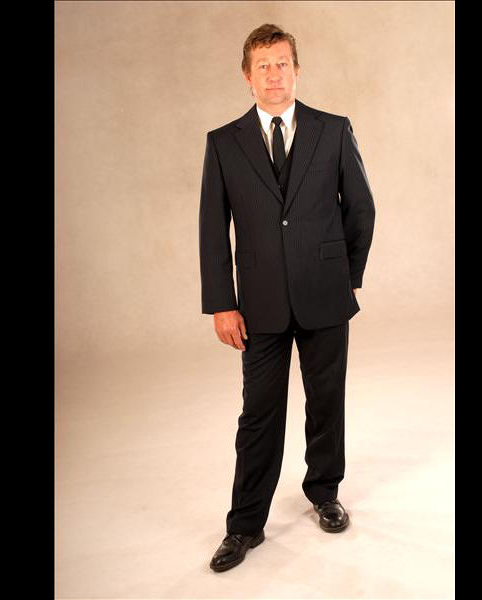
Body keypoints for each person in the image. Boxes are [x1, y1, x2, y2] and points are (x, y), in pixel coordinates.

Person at [199, 23, 375, 572]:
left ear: (296, 70)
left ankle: (324, 492)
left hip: (325, 293)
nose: (273, 74)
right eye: (263, 65)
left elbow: (361, 208)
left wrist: (348, 276)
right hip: (259, 304)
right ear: (247, 76)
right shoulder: (223, 143)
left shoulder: (333, 129)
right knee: (259, 412)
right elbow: (212, 229)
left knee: (326, 401)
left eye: (282, 63)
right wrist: (222, 303)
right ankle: (244, 524)